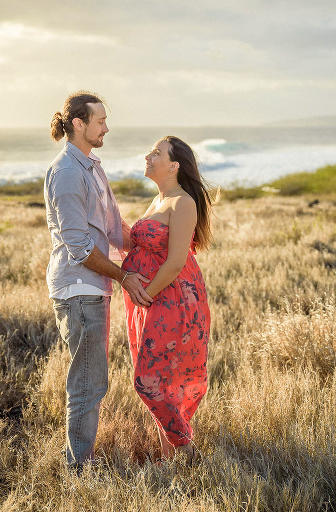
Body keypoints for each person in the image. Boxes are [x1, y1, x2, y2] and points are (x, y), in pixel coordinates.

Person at [45, 91, 152, 472]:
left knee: (92, 381)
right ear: (79, 123)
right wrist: (124, 276)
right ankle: (78, 470)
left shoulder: (92, 167)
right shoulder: (68, 173)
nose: (106, 126)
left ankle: (78, 460)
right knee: (88, 384)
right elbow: (79, 246)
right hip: (79, 289)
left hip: (93, 289)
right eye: (100, 120)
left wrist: (155, 238)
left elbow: (112, 229)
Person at [121, 136, 213, 461]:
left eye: (156, 153)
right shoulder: (158, 200)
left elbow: (176, 262)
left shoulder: (182, 202)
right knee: (162, 379)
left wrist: (146, 293)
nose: (148, 156)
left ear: (174, 166)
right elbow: (133, 241)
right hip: (150, 300)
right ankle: (170, 459)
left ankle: (186, 449)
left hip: (171, 300)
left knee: (148, 380)